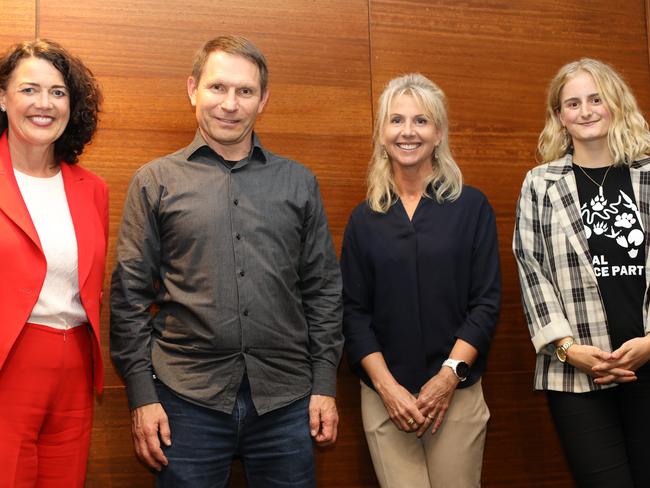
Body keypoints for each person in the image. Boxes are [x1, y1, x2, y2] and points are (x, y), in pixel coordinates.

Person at [110, 35, 343, 487]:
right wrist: (142, 396)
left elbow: (323, 290)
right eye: (218, 88)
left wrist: (325, 385)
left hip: (287, 402)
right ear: (193, 89)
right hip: (184, 400)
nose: (230, 104)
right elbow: (129, 297)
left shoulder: (298, 183)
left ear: (263, 100)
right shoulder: (154, 181)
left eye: (245, 91)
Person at [341, 73, 500, 488]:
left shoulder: (471, 206)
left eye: (421, 121)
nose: (407, 131)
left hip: (457, 393)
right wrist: (387, 387)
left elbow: (485, 302)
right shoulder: (364, 219)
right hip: (385, 397)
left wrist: (448, 377)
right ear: (381, 133)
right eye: (396, 120)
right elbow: (354, 315)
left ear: (439, 132)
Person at [513, 58, 650, 487]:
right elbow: (532, 272)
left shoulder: (648, 175)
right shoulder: (540, 183)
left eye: (596, 99)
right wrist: (568, 349)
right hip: (576, 376)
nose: (586, 110)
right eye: (572, 103)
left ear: (615, 104)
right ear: (559, 117)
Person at [0, 39, 107, 487]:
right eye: (29, 90)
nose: (44, 104)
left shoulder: (92, 188)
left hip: (76, 369)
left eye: (58, 92)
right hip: (9, 365)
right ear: (2, 97)